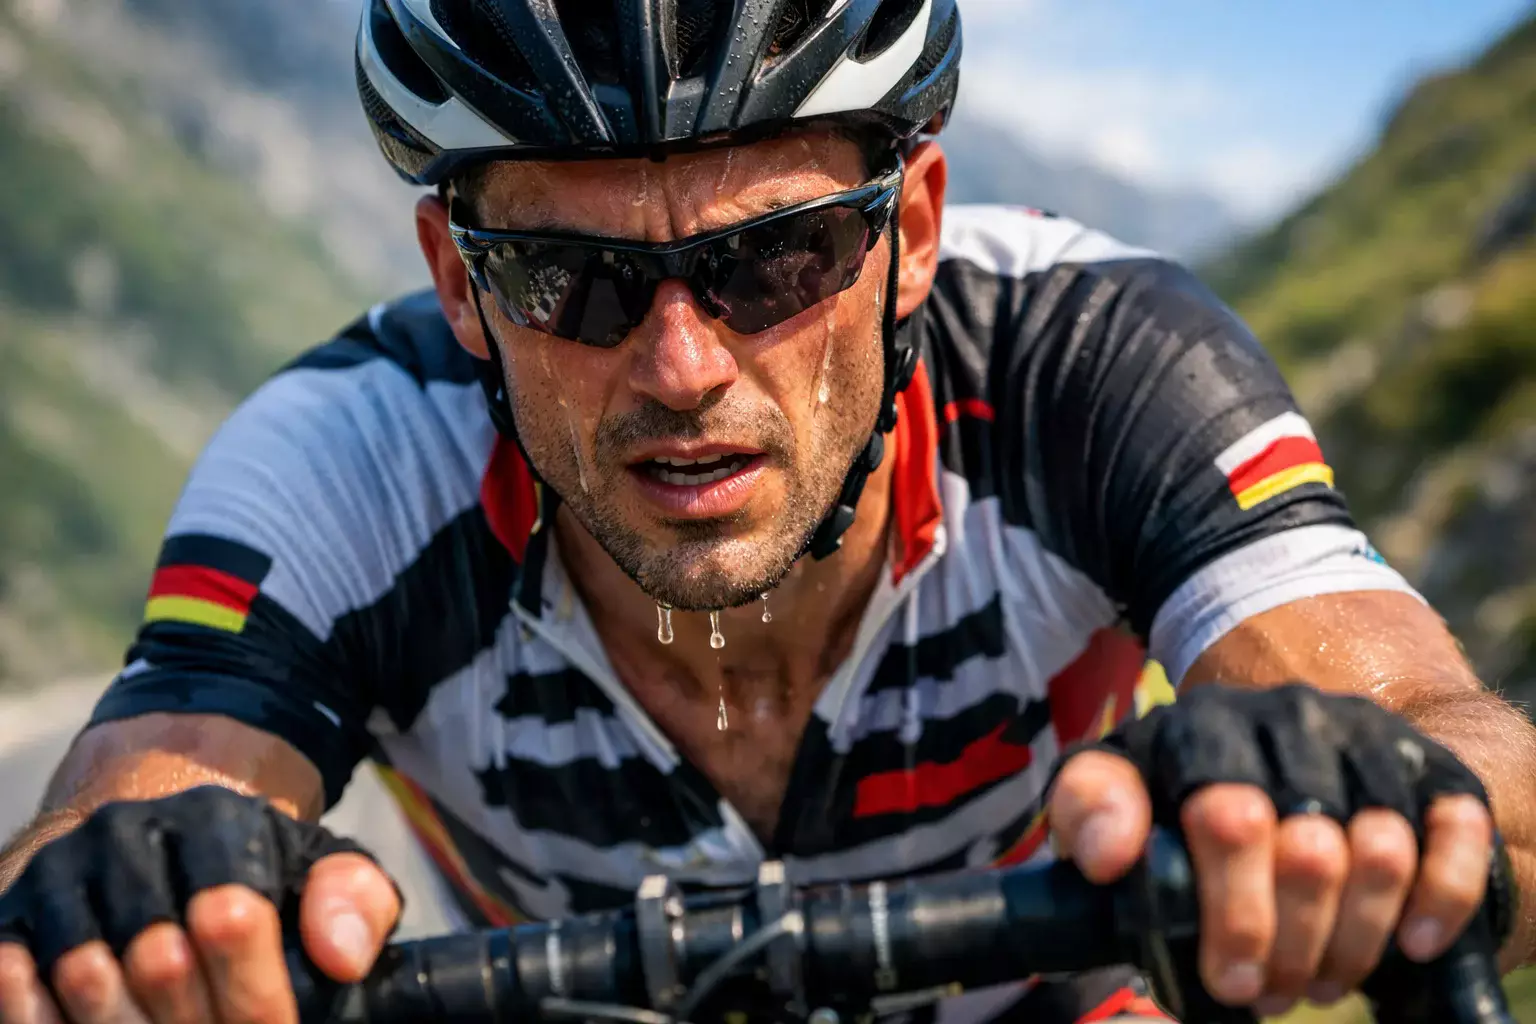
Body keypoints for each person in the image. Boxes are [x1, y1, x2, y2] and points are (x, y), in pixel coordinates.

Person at [2, 1, 1534, 1022]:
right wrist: (123, 900)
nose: (681, 369)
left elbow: (1459, 747)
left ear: (913, 231)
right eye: (570, 280)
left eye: (776, 261)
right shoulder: (347, 457)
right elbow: (111, 830)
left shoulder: (1091, 359)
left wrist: (1372, 777)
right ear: (459, 284)